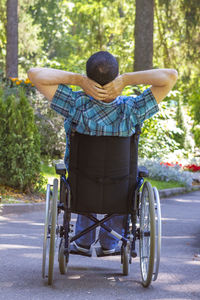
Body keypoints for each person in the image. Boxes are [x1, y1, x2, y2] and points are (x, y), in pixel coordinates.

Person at [28, 51, 178, 256]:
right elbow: (171, 76)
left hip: (81, 189)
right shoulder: (132, 109)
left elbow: (34, 74)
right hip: (120, 190)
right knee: (122, 185)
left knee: (84, 181)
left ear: (88, 77)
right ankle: (110, 243)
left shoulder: (75, 105)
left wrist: (79, 81)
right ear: (116, 78)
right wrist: (126, 80)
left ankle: (82, 241)